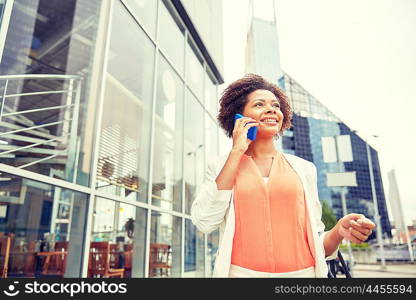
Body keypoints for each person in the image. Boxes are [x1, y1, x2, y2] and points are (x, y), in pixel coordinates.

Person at [191, 74, 375, 278]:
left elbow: (315, 242)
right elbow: (204, 221)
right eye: (259, 104)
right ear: (238, 116)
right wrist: (236, 152)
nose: (271, 109)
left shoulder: (304, 169)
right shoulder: (221, 166)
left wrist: (339, 230)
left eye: (276, 106)